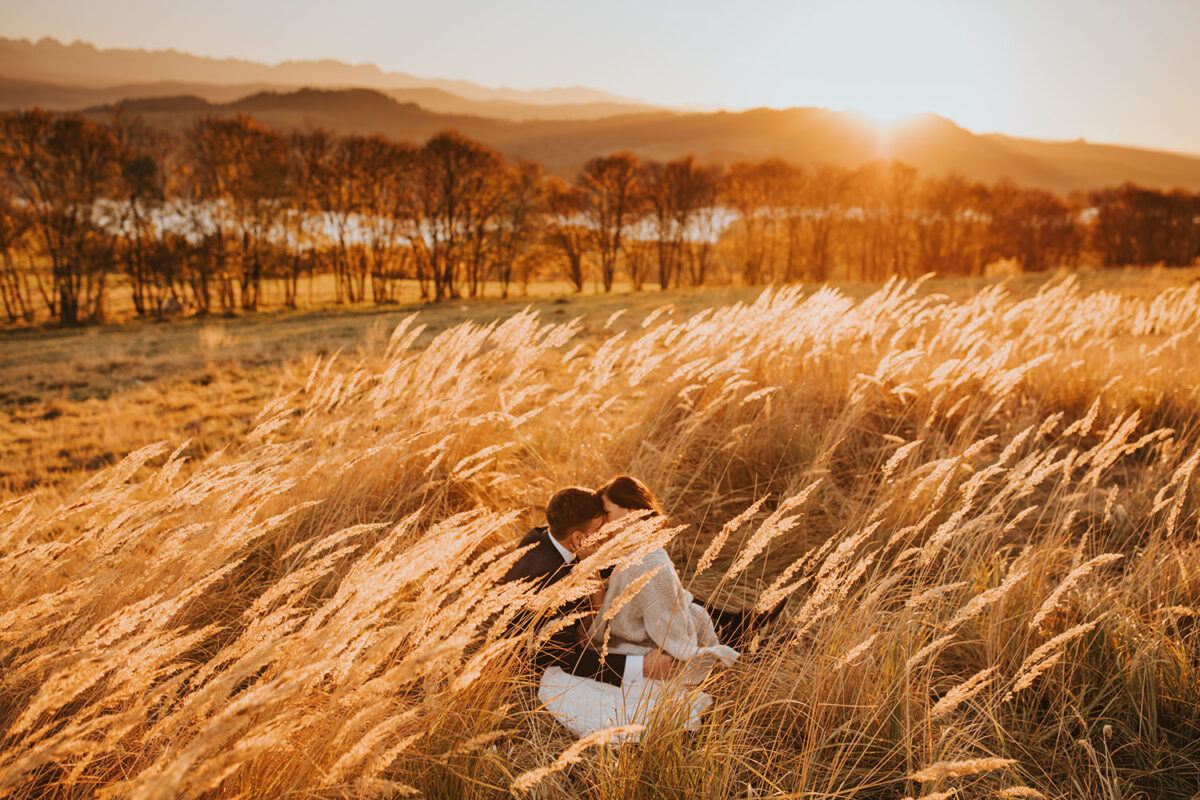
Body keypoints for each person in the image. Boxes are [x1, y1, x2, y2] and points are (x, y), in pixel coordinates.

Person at [501, 486, 677, 687]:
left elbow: (617, 570)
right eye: (600, 528)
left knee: (645, 580)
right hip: (540, 657)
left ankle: (718, 624)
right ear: (578, 538)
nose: (606, 532)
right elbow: (559, 656)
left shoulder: (544, 537)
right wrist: (641, 666)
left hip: (582, 620)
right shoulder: (547, 577)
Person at [595, 475, 784, 653]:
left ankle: (738, 629)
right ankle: (736, 630)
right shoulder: (607, 543)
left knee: (673, 594)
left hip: (652, 612)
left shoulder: (637, 548)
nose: (604, 520)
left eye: (607, 512)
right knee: (670, 592)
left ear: (631, 510)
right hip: (623, 623)